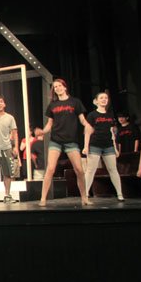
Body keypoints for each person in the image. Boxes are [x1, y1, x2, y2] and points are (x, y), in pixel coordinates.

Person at [39, 78, 94, 207]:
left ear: (65, 87)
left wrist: (87, 125)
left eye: (59, 86)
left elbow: (82, 119)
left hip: (71, 141)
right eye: (55, 87)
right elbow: (49, 124)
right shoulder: (52, 105)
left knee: (79, 170)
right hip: (55, 140)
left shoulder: (75, 102)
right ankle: (42, 198)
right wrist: (42, 131)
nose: (57, 88)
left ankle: (84, 198)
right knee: (50, 169)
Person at [83, 92, 124, 201]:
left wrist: (115, 148)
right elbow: (87, 132)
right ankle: (85, 193)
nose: (104, 99)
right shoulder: (92, 115)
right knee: (90, 170)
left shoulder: (110, 115)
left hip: (108, 146)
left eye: (106, 98)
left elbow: (113, 133)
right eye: (101, 98)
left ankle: (120, 194)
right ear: (96, 101)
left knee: (113, 169)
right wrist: (86, 146)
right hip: (95, 145)